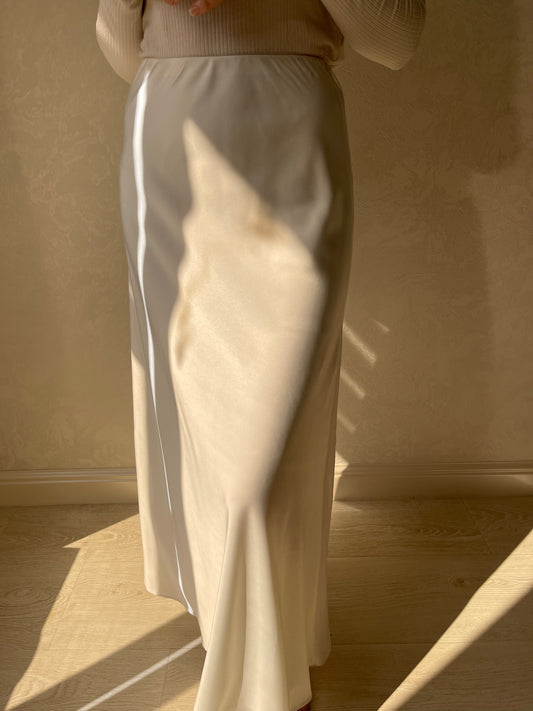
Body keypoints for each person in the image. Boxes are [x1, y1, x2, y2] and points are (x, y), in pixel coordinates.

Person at [95, 2, 426, 710]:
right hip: (175, 148)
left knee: (268, 447)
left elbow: (396, 37)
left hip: (292, 144)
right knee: (205, 430)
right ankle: (251, 655)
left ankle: (260, 668)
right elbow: (122, 48)